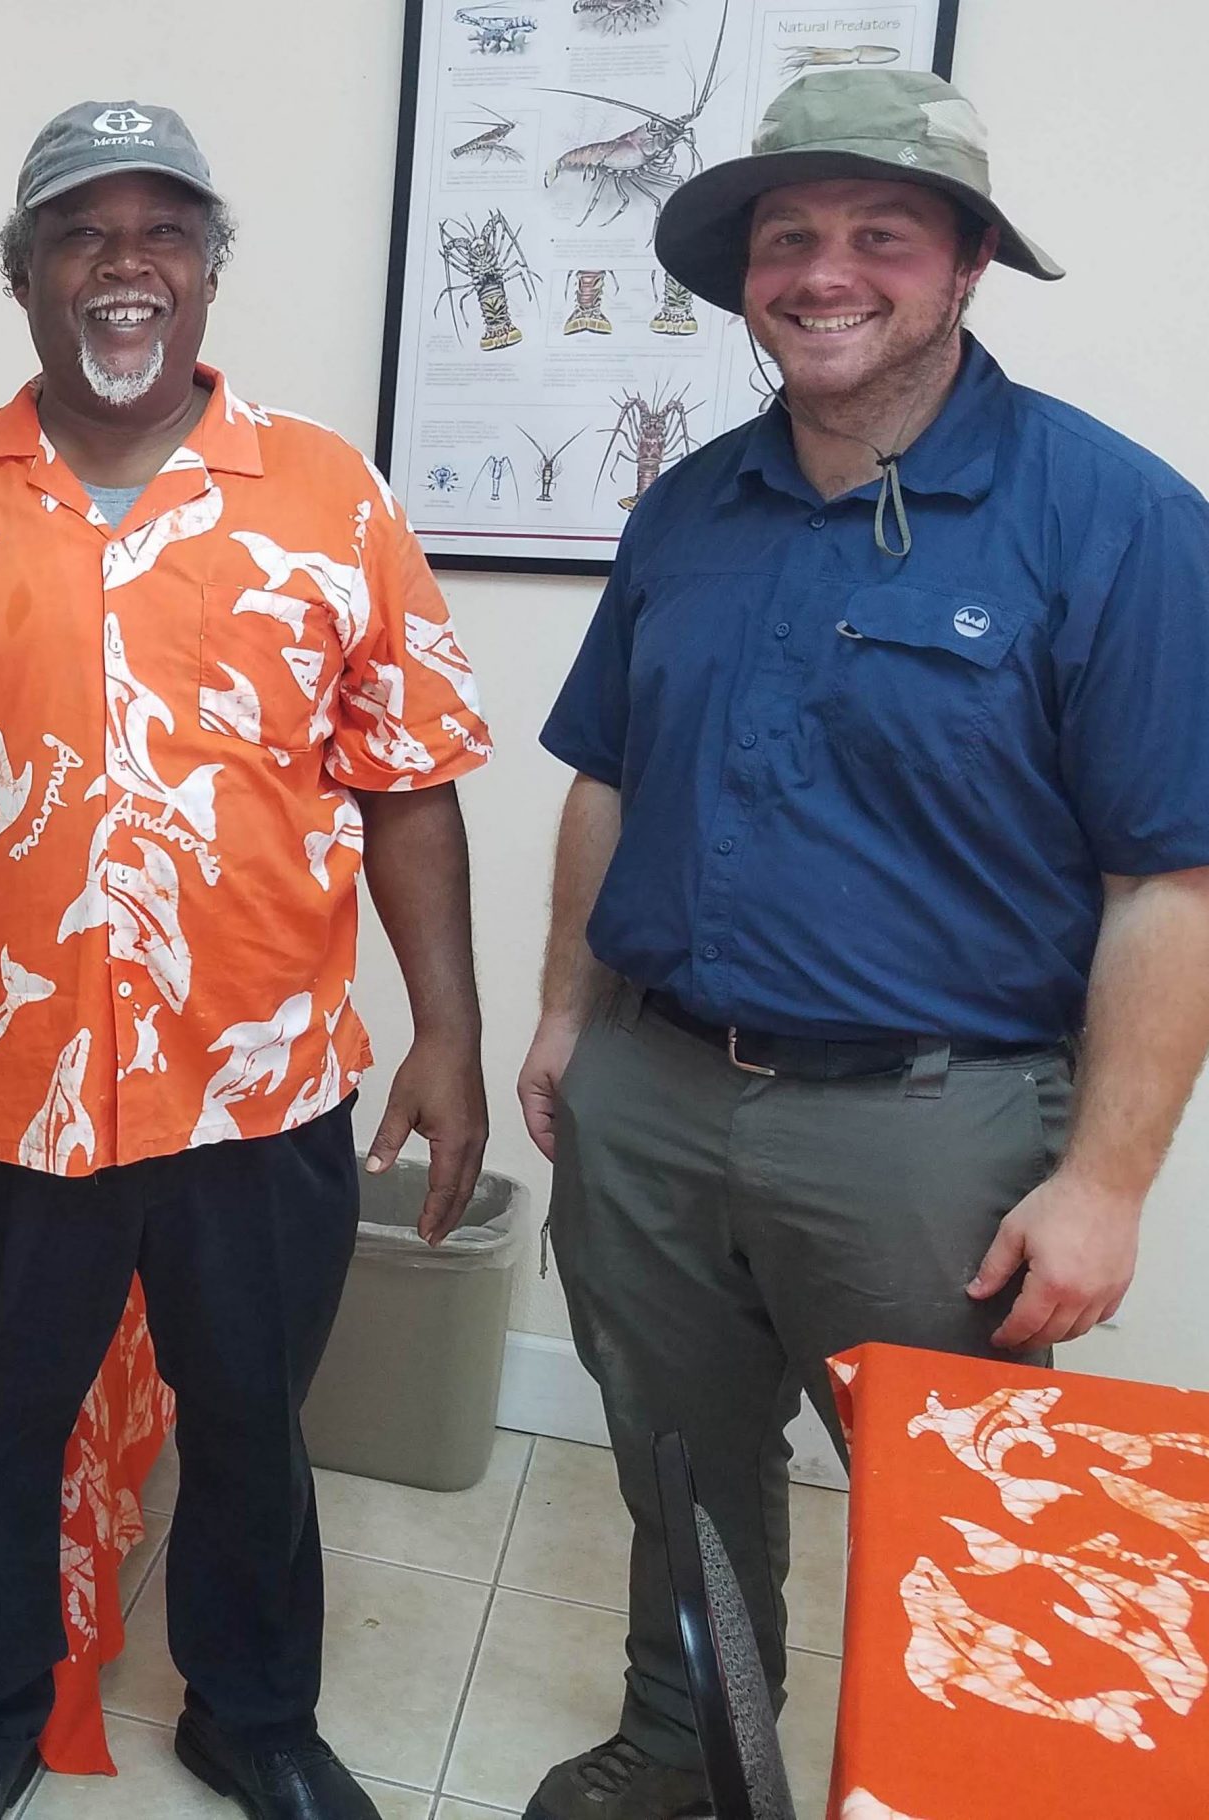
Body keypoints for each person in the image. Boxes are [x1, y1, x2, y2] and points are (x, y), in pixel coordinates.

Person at [0, 102, 493, 1820]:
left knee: (252, 1424)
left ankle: (255, 1715)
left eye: (165, 232)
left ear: (210, 270)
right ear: (23, 274)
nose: (127, 266)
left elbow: (411, 783)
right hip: (2, 1079)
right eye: (85, 233)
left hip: (258, 1083)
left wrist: (445, 1034)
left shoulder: (328, 495)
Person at [517, 70, 1209, 1820]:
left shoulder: (1115, 520)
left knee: (959, 1512)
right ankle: (693, 1755)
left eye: (880, 236)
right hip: (656, 1096)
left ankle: (960, 1795)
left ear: (966, 264)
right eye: (790, 240)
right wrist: (560, 1018)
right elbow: (606, 777)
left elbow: (1174, 883)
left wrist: (1109, 1181)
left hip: (933, 1134)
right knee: (673, 1466)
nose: (828, 273)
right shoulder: (693, 509)